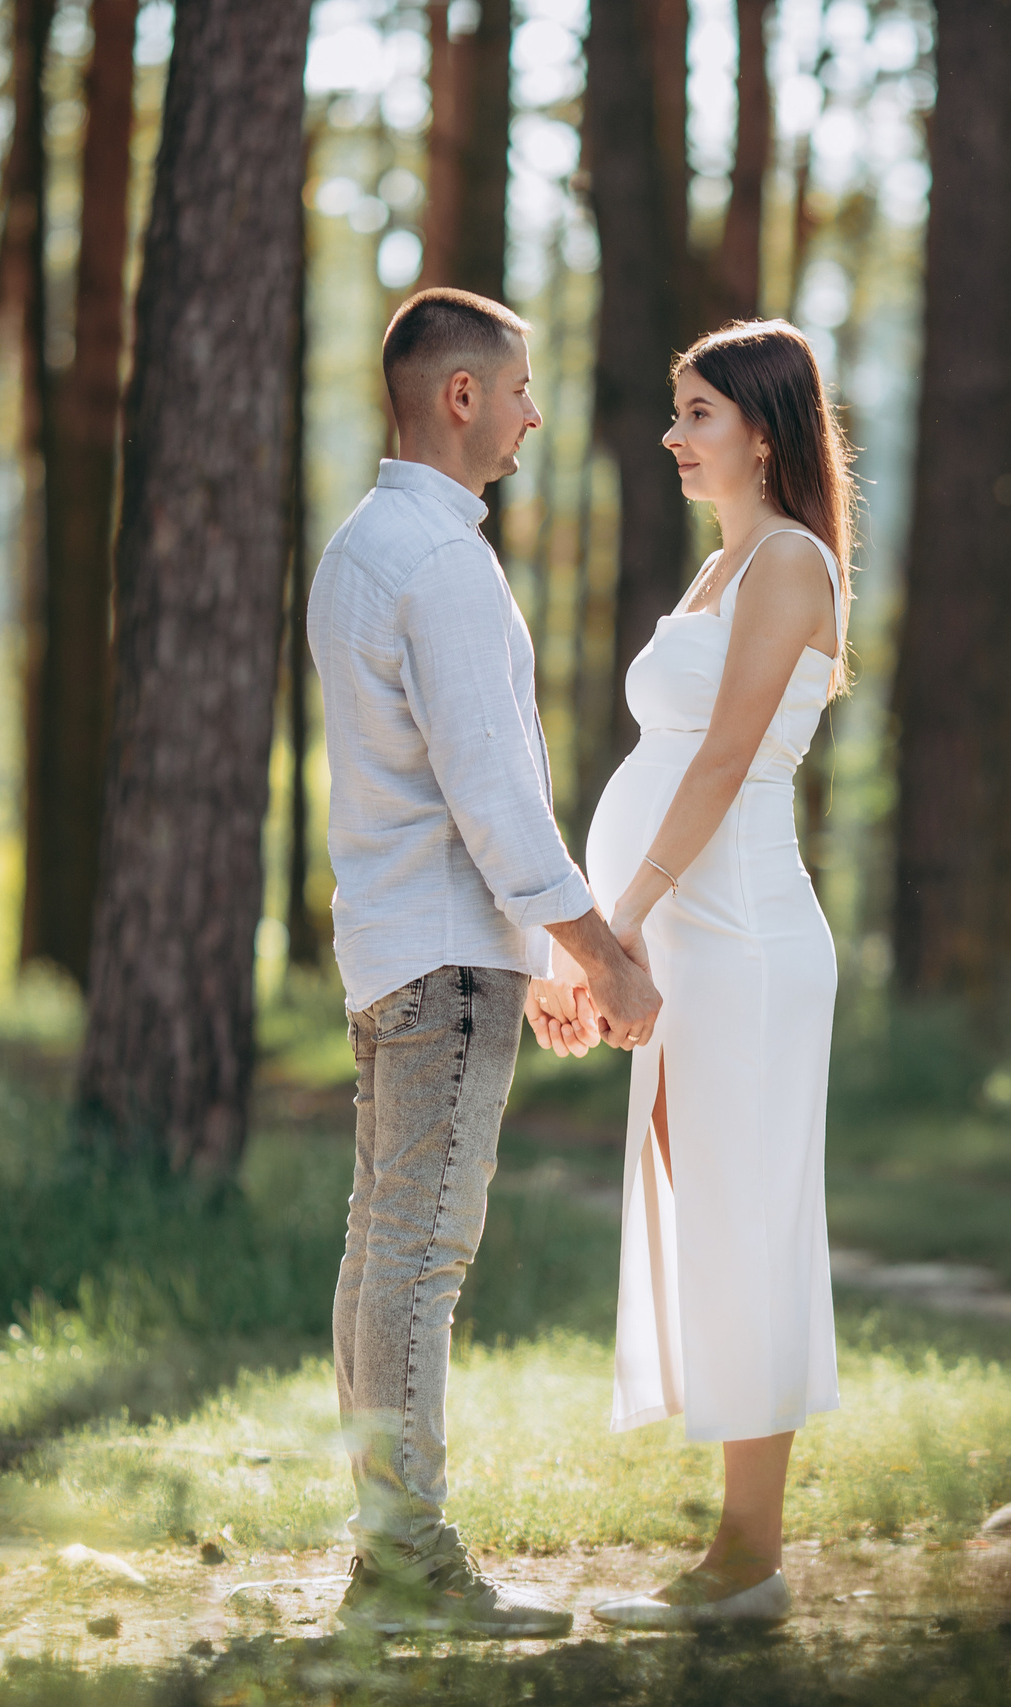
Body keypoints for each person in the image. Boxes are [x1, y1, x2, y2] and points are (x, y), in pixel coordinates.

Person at [307, 286, 660, 1639]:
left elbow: (451, 797)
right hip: (446, 965)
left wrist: (542, 959)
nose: (531, 413)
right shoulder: (441, 563)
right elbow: (493, 800)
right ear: (460, 396)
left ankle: (386, 1556)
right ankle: (406, 1569)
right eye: (518, 387)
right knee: (419, 1262)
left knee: (383, 1255)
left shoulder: (365, 545)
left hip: (407, 949)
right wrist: (599, 954)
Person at [561, 319, 855, 1630]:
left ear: (763, 426)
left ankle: (749, 1564)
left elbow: (724, 764)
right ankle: (739, 1554)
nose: (674, 437)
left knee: (748, 1223)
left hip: (740, 936)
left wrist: (614, 924)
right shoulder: (718, 567)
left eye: (696, 415)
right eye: (676, 413)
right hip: (692, 935)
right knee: (708, 1217)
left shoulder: (788, 563)